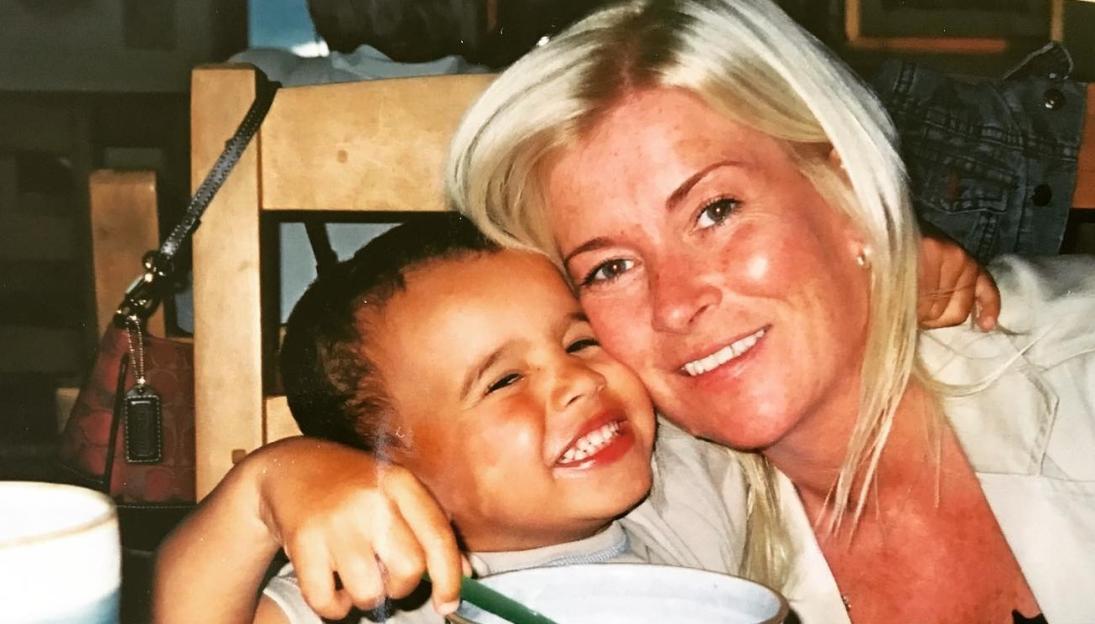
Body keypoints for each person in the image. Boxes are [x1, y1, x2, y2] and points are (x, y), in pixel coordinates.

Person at [445, 0, 1095, 622]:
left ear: (843, 190)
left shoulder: (1075, 377)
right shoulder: (662, 508)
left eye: (715, 211)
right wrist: (342, 477)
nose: (676, 303)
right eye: (609, 267)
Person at [153, 214, 749, 624]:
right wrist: (263, 486)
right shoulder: (382, 588)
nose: (580, 381)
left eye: (580, 341)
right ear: (389, 473)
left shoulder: (687, 481)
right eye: (505, 381)